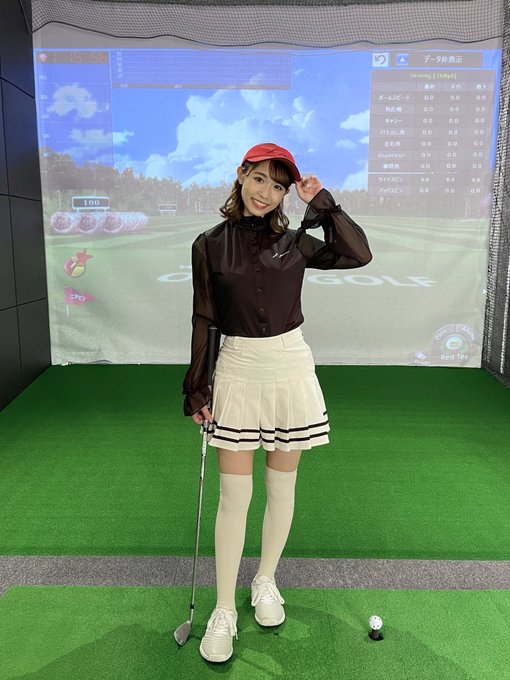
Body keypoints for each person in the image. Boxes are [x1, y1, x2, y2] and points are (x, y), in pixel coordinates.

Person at [182, 142, 372, 663]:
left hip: (290, 367)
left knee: (281, 487)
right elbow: (205, 318)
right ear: (241, 175)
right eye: (260, 179)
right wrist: (196, 386)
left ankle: (265, 580)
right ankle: (224, 609)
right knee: (234, 497)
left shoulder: (296, 243)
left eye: (279, 185)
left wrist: (323, 203)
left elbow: (358, 253)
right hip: (237, 369)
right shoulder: (208, 245)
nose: (267, 193)